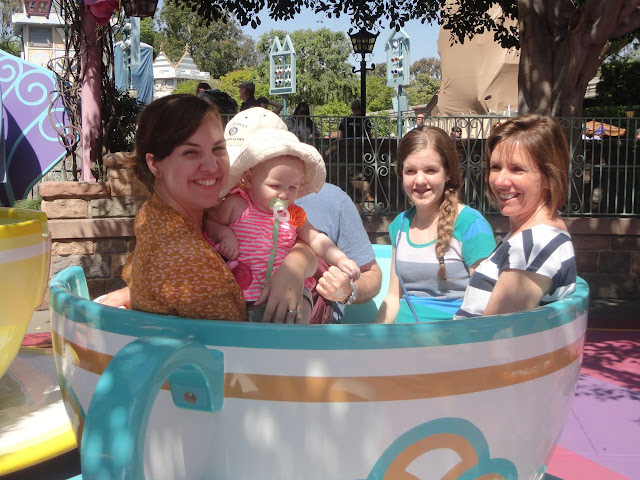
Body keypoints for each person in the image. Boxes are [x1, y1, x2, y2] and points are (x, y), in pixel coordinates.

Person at [107, 95, 317, 323]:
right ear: (154, 164)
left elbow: (297, 237)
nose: (211, 166)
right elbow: (237, 338)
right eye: (190, 152)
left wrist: (295, 264)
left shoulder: (179, 211)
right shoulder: (186, 259)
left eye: (218, 149)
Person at [206, 120, 361, 322]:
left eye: (293, 188)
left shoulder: (293, 215)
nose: (284, 194)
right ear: (249, 180)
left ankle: (295, 335)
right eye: (275, 186)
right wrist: (225, 234)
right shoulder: (237, 204)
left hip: (291, 290)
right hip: (245, 288)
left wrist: (340, 259)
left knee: (300, 309)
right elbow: (212, 223)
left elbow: (316, 238)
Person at [455, 115, 576, 318]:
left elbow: (493, 332)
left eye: (517, 169)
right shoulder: (530, 236)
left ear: (549, 177)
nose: (500, 181)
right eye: (495, 167)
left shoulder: (533, 247)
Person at [375, 126, 496, 323]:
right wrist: (375, 337)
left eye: (430, 170)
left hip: (455, 337)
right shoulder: (400, 225)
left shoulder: (471, 224)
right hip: (401, 338)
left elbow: (486, 304)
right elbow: (393, 298)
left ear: (447, 173)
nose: (419, 180)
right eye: (410, 171)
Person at [297, 183, 382, 322]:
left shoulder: (334, 199)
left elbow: (371, 274)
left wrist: (347, 291)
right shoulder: (254, 207)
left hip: (316, 326)